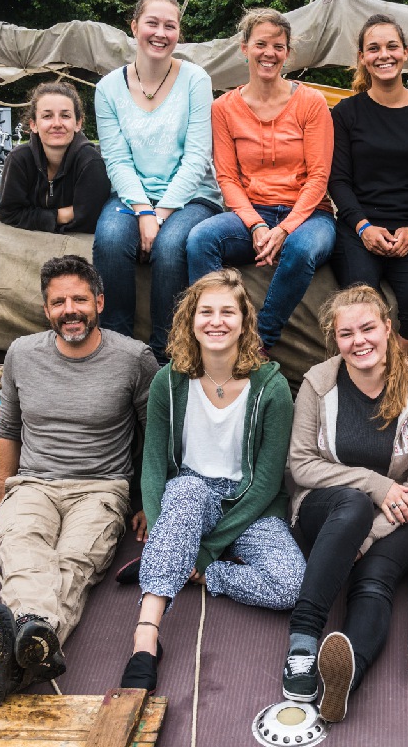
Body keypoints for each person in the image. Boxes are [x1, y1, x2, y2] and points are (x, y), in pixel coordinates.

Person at [0, 255, 157, 707]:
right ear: (46, 309)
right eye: (59, 302)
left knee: (74, 561)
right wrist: (3, 501)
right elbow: (6, 429)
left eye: (79, 299)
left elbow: (155, 434)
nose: (70, 310)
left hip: (101, 487)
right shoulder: (22, 353)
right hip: (34, 484)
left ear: (99, 302)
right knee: (21, 545)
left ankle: (15, 654)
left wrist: (149, 499)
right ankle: (33, 647)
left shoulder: (133, 358)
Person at [118, 269, 304, 693]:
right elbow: (154, 466)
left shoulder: (272, 389)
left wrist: (204, 557)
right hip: (190, 495)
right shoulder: (168, 381)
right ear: (191, 320)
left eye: (227, 312)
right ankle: (145, 638)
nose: (216, 321)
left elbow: (267, 482)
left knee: (291, 585)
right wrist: (159, 522)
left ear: (244, 321)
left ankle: (190, 568)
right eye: (206, 312)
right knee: (184, 490)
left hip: (251, 505)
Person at [280, 284, 408, 723]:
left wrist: (367, 538)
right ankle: (303, 642)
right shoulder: (318, 384)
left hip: (401, 512)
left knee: (374, 580)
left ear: (388, 328)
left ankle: (345, 678)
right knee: (352, 503)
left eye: (368, 328)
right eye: (346, 333)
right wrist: (373, 484)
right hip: (329, 505)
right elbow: (300, 464)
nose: (359, 341)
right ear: (335, 339)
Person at [188, 8, 336, 354]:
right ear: (245, 48)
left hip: (310, 215)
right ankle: (213, 330)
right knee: (200, 239)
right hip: (253, 212)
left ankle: (257, 343)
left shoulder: (311, 102)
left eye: (278, 46)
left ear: (287, 53)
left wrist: (284, 229)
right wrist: (255, 224)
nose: (269, 53)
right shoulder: (224, 108)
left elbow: (319, 176)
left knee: (300, 249)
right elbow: (227, 176)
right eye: (261, 44)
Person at [93, 0, 223, 364]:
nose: (161, 33)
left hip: (192, 195)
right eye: (152, 23)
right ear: (134, 27)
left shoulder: (196, 80)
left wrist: (160, 214)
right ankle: (117, 351)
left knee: (170, 247)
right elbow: (117, 160)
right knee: (110, 239)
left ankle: (167, 355)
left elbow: (197, 157)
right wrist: (142, 210)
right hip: (133, 195)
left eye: (170, 26)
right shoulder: (108, 89)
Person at [329, 15, 408, 364]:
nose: (384, 55)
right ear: (363, 58)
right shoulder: (346, 112)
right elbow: (338, 181)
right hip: (359, 229)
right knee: (362, 306)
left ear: (405, 52)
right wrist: (363, 226)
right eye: (374, 48)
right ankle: (370, 381)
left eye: (392, 46)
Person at [0, 82, 110, 234]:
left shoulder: (91, 162)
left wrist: (34, 217)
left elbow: (90, 219)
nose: (57, 124)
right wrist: (61, 215)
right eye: (47, 116)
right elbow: (9, 214)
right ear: (33, 125)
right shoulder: (19, 160)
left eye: (65, 116)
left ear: (78, 123)